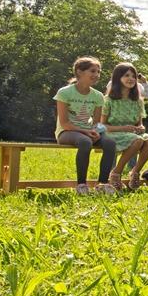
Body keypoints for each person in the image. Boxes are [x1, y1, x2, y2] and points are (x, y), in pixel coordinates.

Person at [54, 57, 116, 196]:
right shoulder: (64, 92)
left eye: (98, 72)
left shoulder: (98, 96)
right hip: (66, 132)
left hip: (88, 131)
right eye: (92, 71)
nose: (96, 75)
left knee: (110, 143)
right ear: (79, 72)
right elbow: (64, 123)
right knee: (85, 142)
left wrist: (96, 131)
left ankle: (102, 184)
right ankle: (81, 185)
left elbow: (97, 123)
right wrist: (86, 132)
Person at [102, 62, 148, 190]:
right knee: (136, 140)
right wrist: (124, 128)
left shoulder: (138, 101)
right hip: (113, 133)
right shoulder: (108, 100)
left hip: (132, 134)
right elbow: (102, 126)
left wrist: (141, 128)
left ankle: (135, 172)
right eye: (126, 75)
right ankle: (116, 173)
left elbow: (139, 124)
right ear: (117, 78)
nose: (131, 79)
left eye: (133, 76)